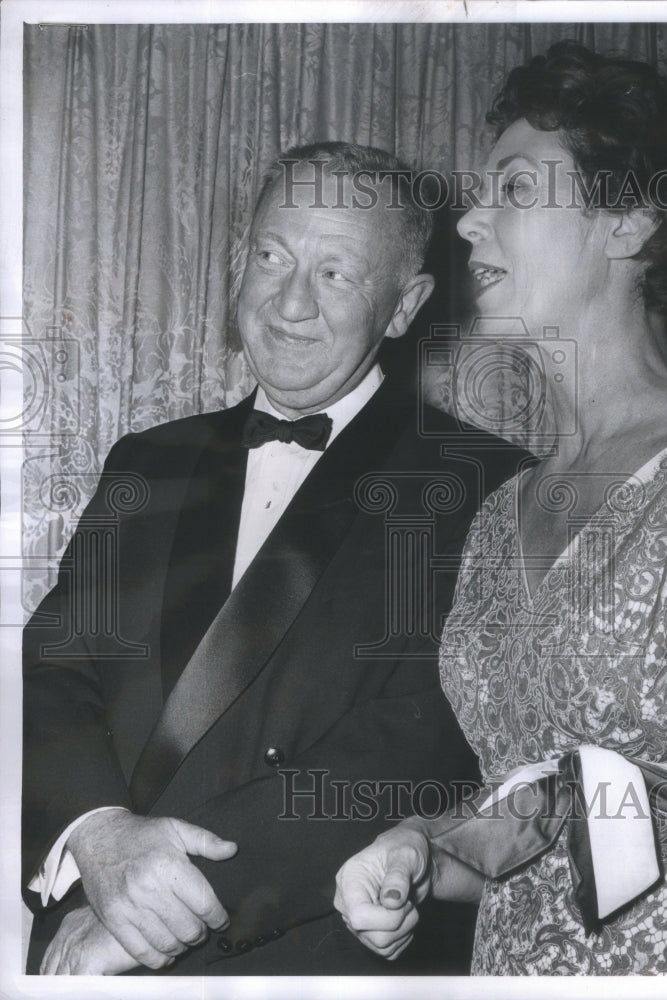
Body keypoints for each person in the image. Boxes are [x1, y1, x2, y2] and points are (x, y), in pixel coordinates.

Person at [22, 141, 528, 975]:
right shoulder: (149, 460)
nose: (290, 303)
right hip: (81, 941)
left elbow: (419, 743)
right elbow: (56, 669)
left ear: (404, 308)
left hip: (295, 953)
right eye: (272, 256)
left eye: (336, 274)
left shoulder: (484, 484)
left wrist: (149, 913)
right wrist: (98, 838)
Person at [334, 42, 667, 976]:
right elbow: (543, 803)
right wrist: (425, 848)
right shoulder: (500, 512)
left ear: (632, 220)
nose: (469, 223)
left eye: (515, 188)